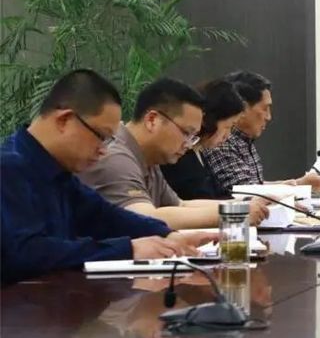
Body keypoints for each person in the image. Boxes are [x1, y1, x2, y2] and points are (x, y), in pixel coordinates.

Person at [1, 69, 206, 284]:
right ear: (64, 120)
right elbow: (26, 253)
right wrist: (128, 249)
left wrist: (168, 236)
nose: (103, 150)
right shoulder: (8, 168)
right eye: (101, 137)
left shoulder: (59, 172)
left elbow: (104, 216)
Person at [79, 77, 268, 229]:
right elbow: (144, 217)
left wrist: (242, 206)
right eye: (186, 133)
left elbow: (180, 205)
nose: (188, 144)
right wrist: (235, 213)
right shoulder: (116, 157)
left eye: (193, 136)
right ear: (152, 120)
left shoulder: (149, 158)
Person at [203, 71, 320, 193]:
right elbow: (245, 193)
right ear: (243, 108)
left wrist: (300, 183)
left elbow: (255, 186)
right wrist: (299, 186)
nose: (268, 117)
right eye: (265, 108)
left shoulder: (244, 139)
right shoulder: (221, 142)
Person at [161, 79, 246, 199]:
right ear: (210, 119)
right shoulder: (179, 155)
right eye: (228, 127)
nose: (227, 136)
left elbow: (221, 193)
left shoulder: (198, 152)